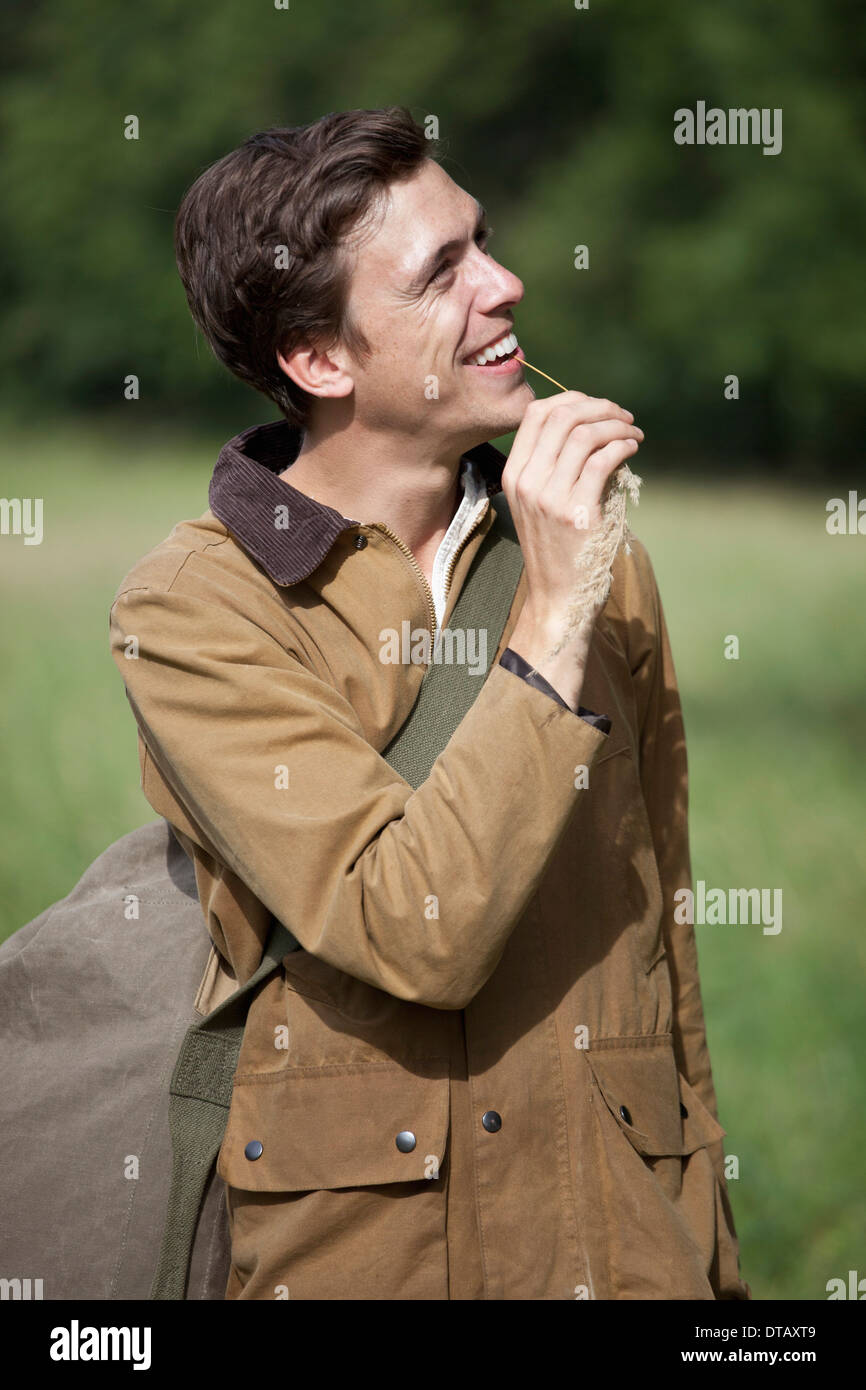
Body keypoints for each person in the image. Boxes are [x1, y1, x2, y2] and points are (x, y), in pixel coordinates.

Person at [109, 106, 749, 1300]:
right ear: (320, 360)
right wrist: (550, 614)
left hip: (618, 1243)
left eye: (483, 243)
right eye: (441, 272)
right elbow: (414, 927)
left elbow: (659, 924)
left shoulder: (597, 551)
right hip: (363, 1257)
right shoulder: (195, 607)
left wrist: (704, 1236)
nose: (505, 285)